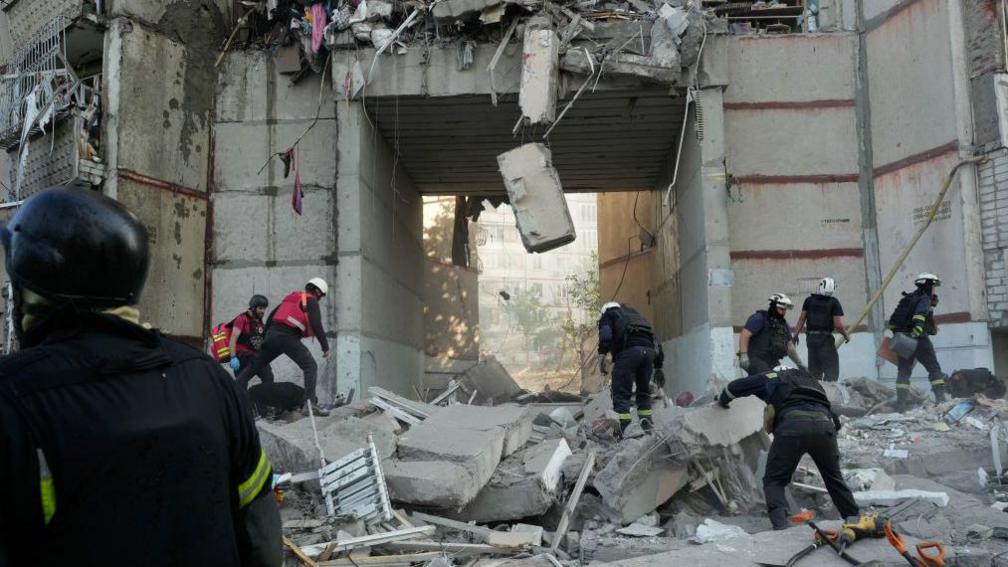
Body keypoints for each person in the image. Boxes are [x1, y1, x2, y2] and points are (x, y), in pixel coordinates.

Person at [0, 187, 281, 565]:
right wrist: (227, 360)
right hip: (230, 364)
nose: (260, 312)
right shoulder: (210, 382)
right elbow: (261, 534)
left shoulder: (12, 399)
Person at [718, 367, 859, 530]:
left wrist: (722, 400)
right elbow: (836, 420)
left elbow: (736, 387)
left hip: (792, 427)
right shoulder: (811, 382)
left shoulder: (772, 376)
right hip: (825, 427)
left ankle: (781, 525)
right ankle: (854, 518)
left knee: (775, 480)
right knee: (834, 478)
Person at [237, 278, 331, 416]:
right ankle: (310, 406)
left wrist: (265, 338)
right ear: (317, 291)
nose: (320, 299)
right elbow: (316, 324)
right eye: (321, 296)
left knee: (253, 367)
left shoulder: (291, 298)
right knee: (310, 366)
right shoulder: (311, 300)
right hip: (287, 337)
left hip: (272, 336)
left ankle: (231, 397)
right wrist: (325, 347)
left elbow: (271, 317)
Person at [598, 302, 661, 435]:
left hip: (629, 352)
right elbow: (655, 341)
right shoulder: (637, 317)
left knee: (621, 393)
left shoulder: (609, 314)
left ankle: (623, 430)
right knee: (643, 392)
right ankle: (647, 427)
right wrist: (659, 366)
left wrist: (602, 354)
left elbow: (606, 335)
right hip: (648, 354)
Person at [888, 273, 947, 408]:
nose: (934, 290)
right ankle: (941, 400)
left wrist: (903, 336)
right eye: (933, 286)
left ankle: (901, 403)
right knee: (934, 368)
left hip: (903, 340)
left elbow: (893, 322)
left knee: (903, 371)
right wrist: (917, 332)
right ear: (928, 285)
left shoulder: (907, 299)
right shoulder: (923, 299)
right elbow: (919, 316)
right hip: (919, 340)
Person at [792, 277, 850, 382]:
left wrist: (795, 336)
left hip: (811, 339)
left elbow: (801, 320)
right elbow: (838, 325)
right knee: (831, 371)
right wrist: (846, 335)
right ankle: (829, 395)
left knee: (814, 371)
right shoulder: (834, 302)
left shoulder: (809, 300)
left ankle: (816, 394)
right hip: (825, 340)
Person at [739, 293, 806, 374]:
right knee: (768, 376)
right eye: (781, 309)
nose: (783, 313)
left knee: (783, 376)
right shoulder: (759, 318)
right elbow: (745, 334)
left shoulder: (784, 325)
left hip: (771, 360)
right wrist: (744, 355)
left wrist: (800, 364)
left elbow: (790, 346)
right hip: (754, 358)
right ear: (773, 307)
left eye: (785, 310)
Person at [227, 294, 274, 387]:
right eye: (260, 308)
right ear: (253, 308)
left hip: (257, 357)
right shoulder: (242, 319)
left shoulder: (260, 323)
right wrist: (233, 358)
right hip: (243, 357)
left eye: (264, 308)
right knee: (241, 385)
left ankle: (261, 400)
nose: (263, 311)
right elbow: (233, 339)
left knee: (269, 378)